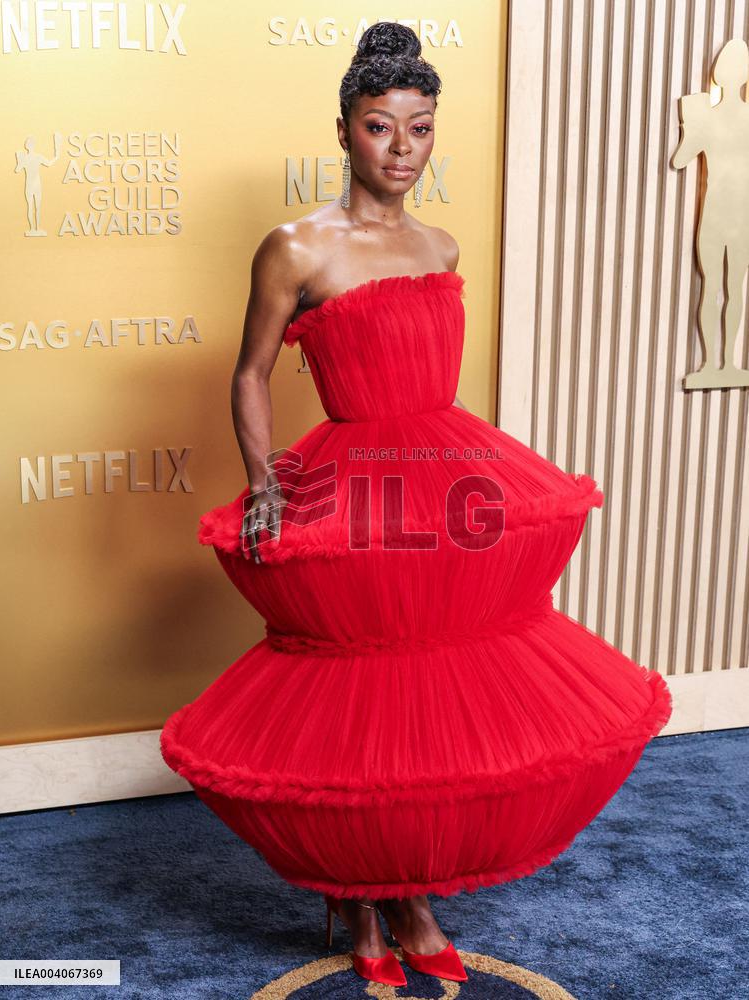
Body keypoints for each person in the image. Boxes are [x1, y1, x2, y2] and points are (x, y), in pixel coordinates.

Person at [160, 21, 673, 989]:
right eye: (380, 127)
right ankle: (358, 903)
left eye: (421, 128)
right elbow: (250, 375)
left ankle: (411, 895)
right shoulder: (295, 247)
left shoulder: (440, 247)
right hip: (348, 487)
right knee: (357, 694)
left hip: (440, 477)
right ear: (343, 128)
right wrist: (267, 482)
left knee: (425, 700)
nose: (402, 150)